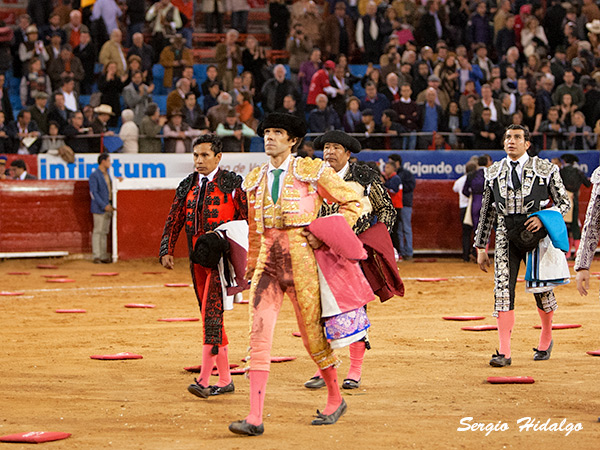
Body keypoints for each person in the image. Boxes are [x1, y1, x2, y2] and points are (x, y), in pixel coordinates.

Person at [228, 113, 362, 436]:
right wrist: (249, 269)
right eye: (267, 132)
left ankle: (335, 398)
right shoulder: (254, 179)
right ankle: (255, 416)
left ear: (293, 141)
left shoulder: (311, 171)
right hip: (268, 264)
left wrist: (325, 236)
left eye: (278, 132)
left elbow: (352, 201)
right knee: (258, 334)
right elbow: (256, 231)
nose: (269, 137)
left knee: (312, 334)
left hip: (302, 262)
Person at [302, 130, 399, 391]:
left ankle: (355, 370)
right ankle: (325, 366)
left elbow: (386, 210)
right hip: (321, 253)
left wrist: (376, 241)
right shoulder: (314, 177)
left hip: (355, 252)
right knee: (320, 311)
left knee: (356, 309)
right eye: (327, 147)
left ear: (347, 153)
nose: (329, 152)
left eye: (336, 147)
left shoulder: (364, 177)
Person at [160, 134, 248, 399]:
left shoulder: (231, 184)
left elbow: (248, 220)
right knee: (209, 316)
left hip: (221, 260)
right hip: (196, 260)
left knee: (211, 315)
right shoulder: (188, 184)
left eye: (205, 155)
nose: (199, 160)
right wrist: (166, 249)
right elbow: (174, 218)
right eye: (196, 155)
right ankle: (225, 379)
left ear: (218, 157)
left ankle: (205, 379)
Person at [475, 125, 570, 367]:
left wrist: (543, 218)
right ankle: (504, 351)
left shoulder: (546, 169)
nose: (511, 141)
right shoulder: (493, 172)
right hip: (505, 236)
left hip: (536, 236)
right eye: (508, 137)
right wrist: (481, 246)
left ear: (527, 143)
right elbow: (487, 211)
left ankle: (546, 337)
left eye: (517, 137)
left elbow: (564, 203)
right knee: (503, 290)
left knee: (542, 289)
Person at [559, 154, 591, 259]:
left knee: (565, 226)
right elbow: (587, 184)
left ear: (564, 161)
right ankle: (577, 252)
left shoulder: (561, 172)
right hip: (575, 200)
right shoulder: (578, 172)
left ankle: (567, 252)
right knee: (575, 226)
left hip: (563, 200)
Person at [89, 153, 116, 264]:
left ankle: (103, 255)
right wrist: (103, 205)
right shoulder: (95, 175)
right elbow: (93, 193)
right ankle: (97, 255)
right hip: (99, 208)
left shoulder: (108, 175)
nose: (110, 163)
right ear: (103, 161)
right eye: (108, 161)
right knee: (98, 231)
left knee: (104, 232)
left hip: (107, 206)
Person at [388, 154, 415, 260]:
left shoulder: (405, 174)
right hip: (399, 204)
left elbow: (411, 187)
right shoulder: (394, 176)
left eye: (391, 162)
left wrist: (400, 186)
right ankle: (402, 252)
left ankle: (408, 252)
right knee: (399, 229)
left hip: (405, 203)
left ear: (397, 163)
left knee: (405, 228)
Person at [453, 160, 478, 262]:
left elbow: (454, 189)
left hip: (463, 207)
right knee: (477, 232)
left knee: (466, 233)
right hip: (474, 207)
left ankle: (466, 256)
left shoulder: (460, 180)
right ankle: (475, 254)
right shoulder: (475, 179)